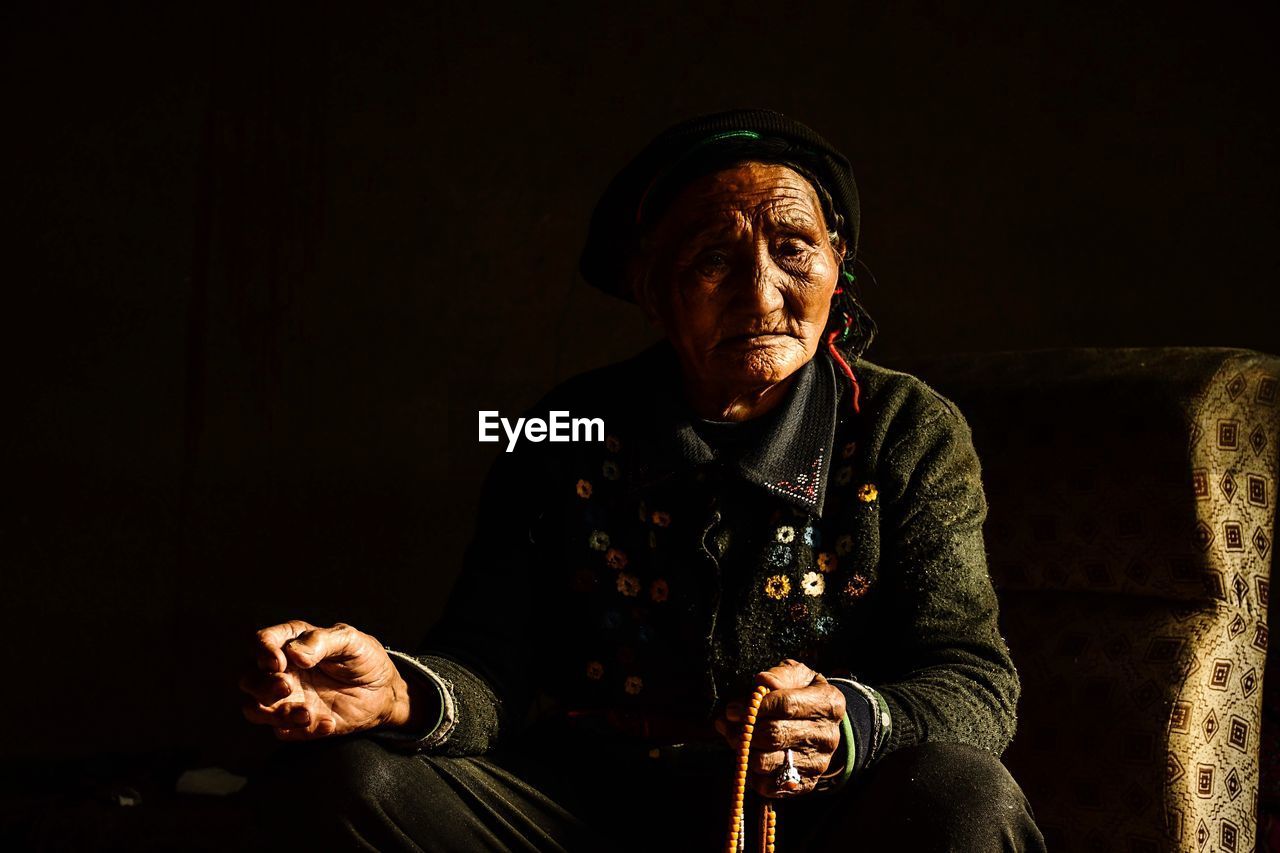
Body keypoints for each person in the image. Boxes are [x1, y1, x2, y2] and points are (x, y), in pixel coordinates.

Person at [239, 109, 1047, 852]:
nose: (761, 294)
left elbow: (973, 678)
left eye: (794, 245)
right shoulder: (560, 427)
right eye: (712, 259)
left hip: (812, 818)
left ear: (838, 265)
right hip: (584, 810)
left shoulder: (907, 429)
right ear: (652, 291)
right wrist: (399, 690)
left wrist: (852, 726)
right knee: (345, 781)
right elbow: (490, 662)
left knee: (968, 796)